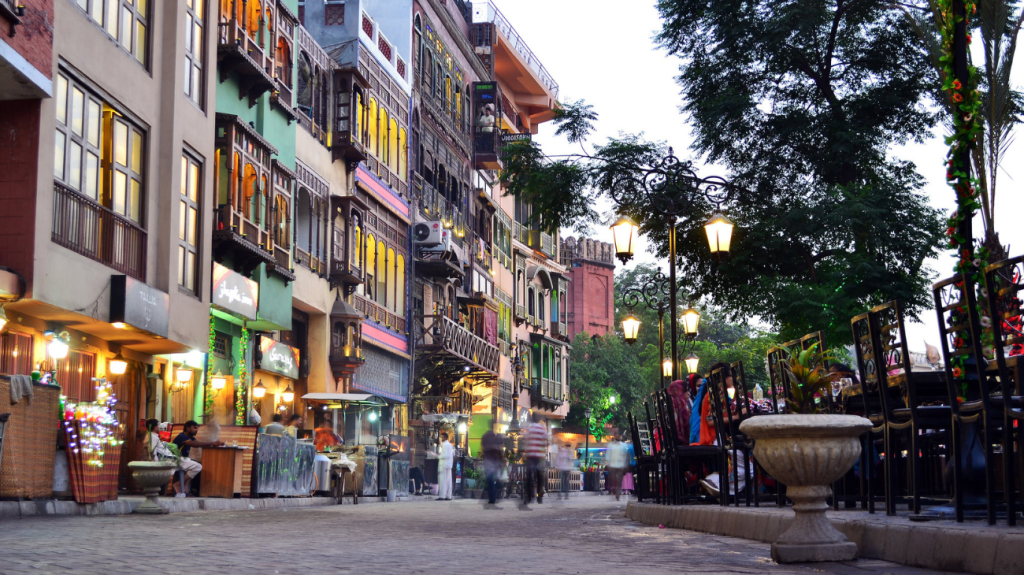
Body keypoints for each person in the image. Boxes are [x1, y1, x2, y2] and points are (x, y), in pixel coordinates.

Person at [172, 420, 224, 498]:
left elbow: (199, 444)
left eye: (197, 428)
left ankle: (186, 488)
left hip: (183, 460)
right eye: (194, 428)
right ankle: (178, 484)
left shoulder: (191, 438)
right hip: (175, 460)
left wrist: (215, 444)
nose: (196, 430)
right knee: (197, 466)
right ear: (188, 428)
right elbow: (196, 444)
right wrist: (213, 443)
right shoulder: (181, 436)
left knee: (196, 466)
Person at [521, 412, 549, 508]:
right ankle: (539, 495)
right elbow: (547, 440)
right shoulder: (542, 429)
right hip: (539, 456)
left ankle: (528, 497)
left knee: (529, 476)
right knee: (539, 476)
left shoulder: (529, 428)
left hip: (530, 456)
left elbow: (524, 439)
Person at [481, 429, 504, 506]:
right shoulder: (495, 441)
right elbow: (500, 451)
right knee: (495, 479)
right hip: (495, 462)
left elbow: (483, 449)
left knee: (490, 480)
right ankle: (497, 495)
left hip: (488, 462)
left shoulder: (485, 440)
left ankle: (492, 498)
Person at [605, 435, 628, 501]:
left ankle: (617, 495)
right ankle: (613, 491)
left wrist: (625, 465)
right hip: (612, 466)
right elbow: (608, 455)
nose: (618, 437)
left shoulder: (624, 445)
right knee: (613, 480)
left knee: (619, 482)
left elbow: (625, 455)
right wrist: (608, 464)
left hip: (620, 466)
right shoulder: (611, 445)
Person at [436, 432, 454, 501]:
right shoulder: (449, 445)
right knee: (448, 481)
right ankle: (448, 496)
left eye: (443, 437)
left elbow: (445, 455)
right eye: (441, 437)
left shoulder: (445, 445)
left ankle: (442, 496)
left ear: (446, 438)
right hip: (448, 465)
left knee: (442, 481)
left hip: (443, 465)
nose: (441, 438)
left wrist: (437, 456)